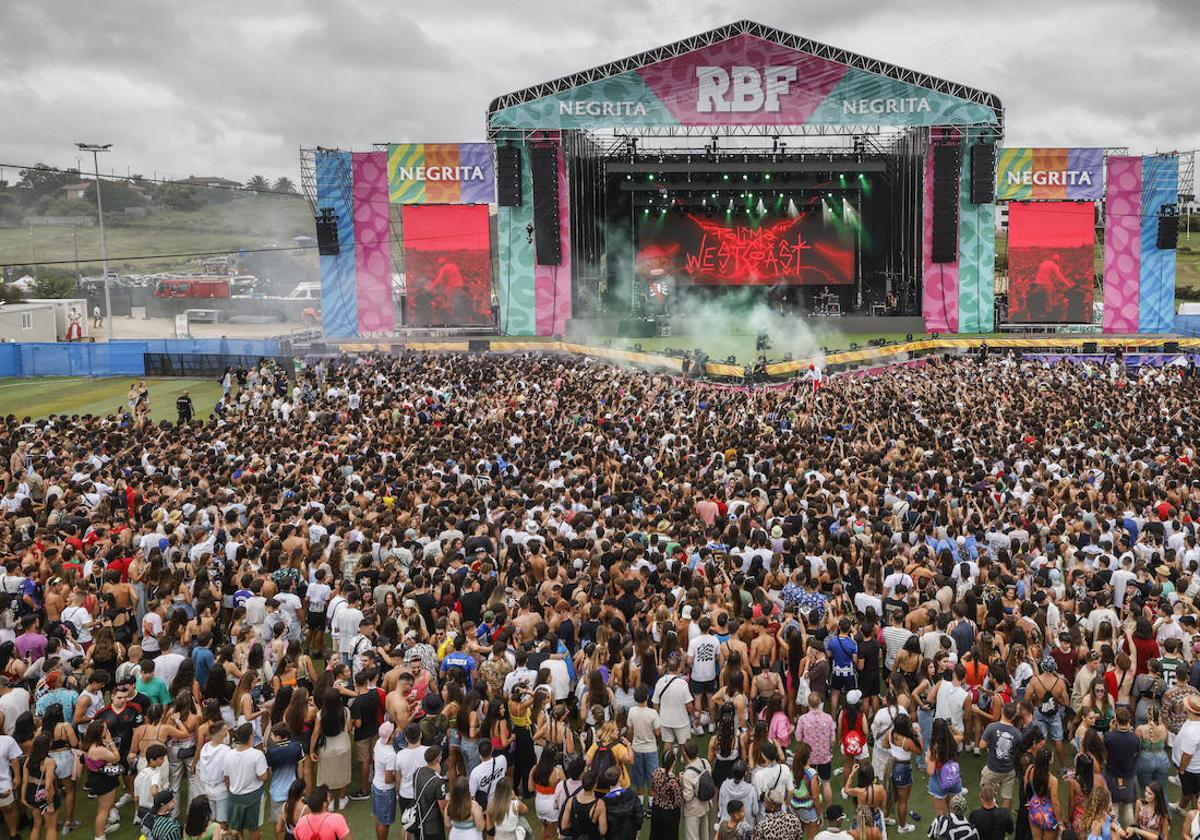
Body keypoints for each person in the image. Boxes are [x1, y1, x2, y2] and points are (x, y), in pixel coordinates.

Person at [224, 722, 269, 840]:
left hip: (235, 796)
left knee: (236, 828)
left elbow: (226, 777)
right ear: (250, 736)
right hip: (254, 796)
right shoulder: (257, 755)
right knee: (254, 828)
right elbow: (263, 777)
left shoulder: (229, 754)